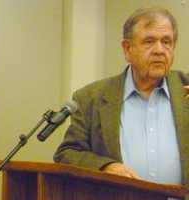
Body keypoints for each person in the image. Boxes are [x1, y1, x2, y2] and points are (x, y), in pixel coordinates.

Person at [54, 7, 189, 197]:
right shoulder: (91, 98)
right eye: (149, 41)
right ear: (127, 49)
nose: (160, 50)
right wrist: (106, 167)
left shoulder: (186, 90)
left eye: (167, 42)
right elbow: (67, 154)